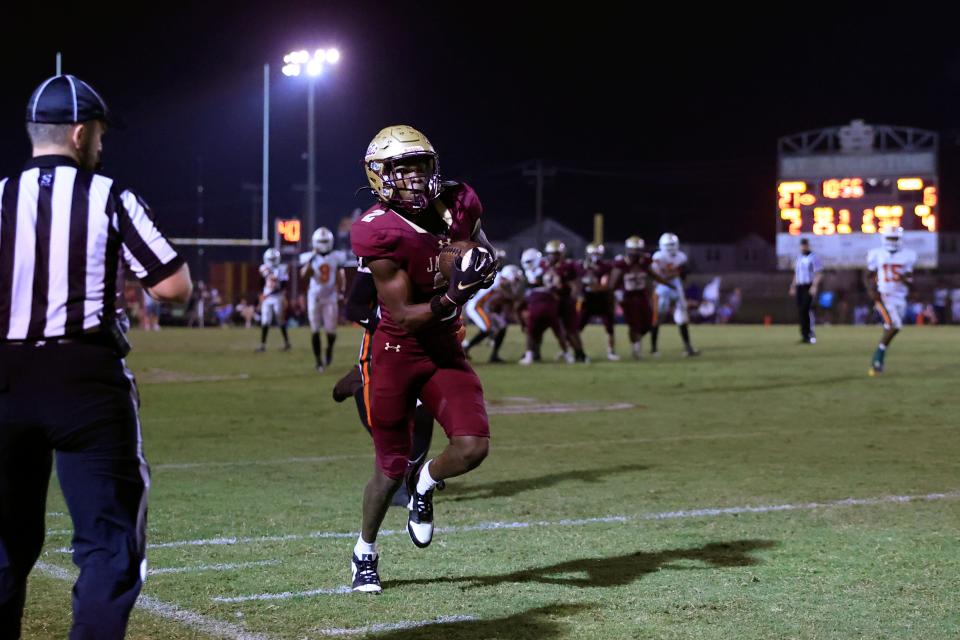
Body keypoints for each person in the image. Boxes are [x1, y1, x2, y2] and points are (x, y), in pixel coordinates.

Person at [0, 74, 192, 638]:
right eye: (101, 136)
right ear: (81, 134)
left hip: (4, 379)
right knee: (108, 546)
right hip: (85, 379)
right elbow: (173, 287)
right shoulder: (110, 196)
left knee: (4, 546)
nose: (102, 146)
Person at [348, 124, 498, 593]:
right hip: (396, 349)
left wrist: (482, 265)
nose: (413, 177)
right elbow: (404, 315)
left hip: (444, 346)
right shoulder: (377, 230)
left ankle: (426, 483)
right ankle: (364, 553)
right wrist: (455, 295)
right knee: (390, 466)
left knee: (473, 448)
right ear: (379, 175)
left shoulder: (460, 201)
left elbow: (480, 250)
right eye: (401, 168)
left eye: (419, 166)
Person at [865, 225, 916, 376]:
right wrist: (872, 291)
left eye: (895, 238)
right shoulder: (877, 254)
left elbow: (910, 280)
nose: (893, 241)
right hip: (884, 296)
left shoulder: (908, 255)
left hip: (900, 297)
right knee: (895, 326)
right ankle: (878, 357)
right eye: (890, 238)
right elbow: (868, 275)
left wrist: (905, 279)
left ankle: (877, 364)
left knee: (890, 328)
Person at [300, 227, 348, 371]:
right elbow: (304, 275)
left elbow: (340, 275)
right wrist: (311, 260)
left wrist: (342, 292)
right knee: (315, 329)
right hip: (314, 296)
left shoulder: (337, 256)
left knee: (331, 331)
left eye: (325, 241)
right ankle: (318, 361)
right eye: (321, 241)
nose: (323, 243)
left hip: (330, 296)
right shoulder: (309, 256)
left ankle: (329, 350)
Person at [650, 233, 699, 356]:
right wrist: (677, 272)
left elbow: (682, 275)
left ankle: (688, 348)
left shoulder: (681, 256)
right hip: (662, 287)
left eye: (673, 244)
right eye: (668, 245)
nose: (671, 247)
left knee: (683, 316)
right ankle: (654, 348)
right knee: (658, 317)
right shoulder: (658, 256)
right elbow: (662, 275)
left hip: (676, 287)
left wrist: (678, 274)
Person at [578, 243, 619, 361]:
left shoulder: (606, 266)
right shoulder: (581, 266)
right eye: (593, 253)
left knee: (609, 327)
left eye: (597, 254)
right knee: (577, 327)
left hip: (602, 299)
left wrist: (591, 284)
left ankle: (611, 351)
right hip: (588, 301)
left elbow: (604, 285)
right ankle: (572, 350)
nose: (595, 256)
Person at [788, 237, 823, 344]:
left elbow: (819, 273)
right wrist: (793, 286)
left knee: (806, 309)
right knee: (801, 310)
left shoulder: (813, 257)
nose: (803, 247)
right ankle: (804, 334)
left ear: (808, 246)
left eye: (805, 245)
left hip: (808, 286)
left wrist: (814, 286)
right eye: (802, 245)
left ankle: (810, 333)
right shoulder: (799, 258)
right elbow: (796, 274)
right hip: (800, 286)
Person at [257, 248, 291, 351]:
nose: (271, 261)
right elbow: (261, 282)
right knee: (265, 321)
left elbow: (283, 286)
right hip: (267, 297)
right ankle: (263, 345)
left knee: (280, 320)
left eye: (273, 259)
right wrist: (262, 294)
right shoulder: (263, 268)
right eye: (270, 259)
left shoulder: (282, 268)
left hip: (277, 296)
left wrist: (267, 294)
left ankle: (287, 343)